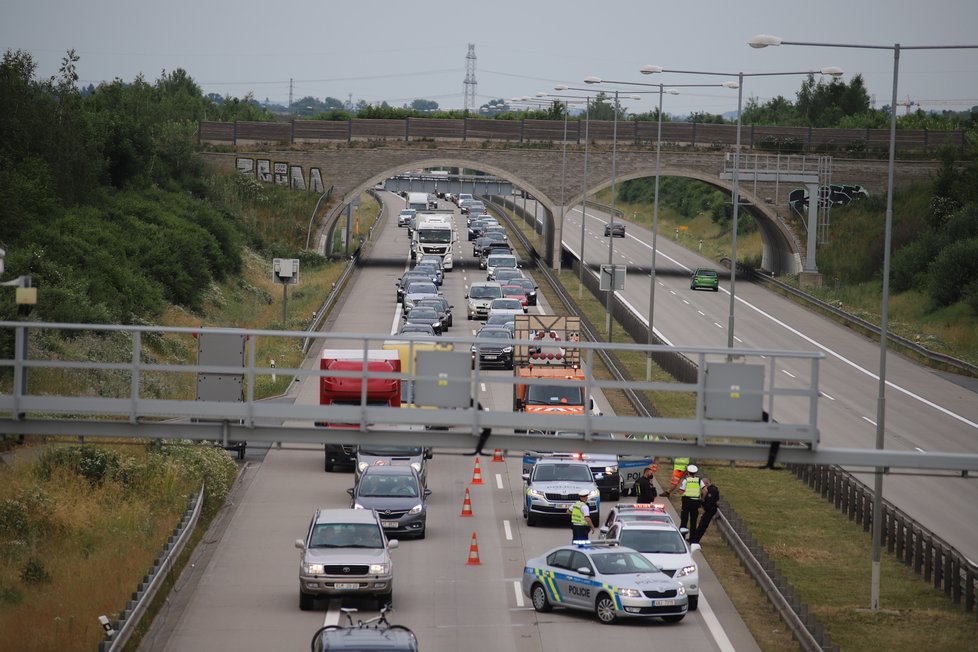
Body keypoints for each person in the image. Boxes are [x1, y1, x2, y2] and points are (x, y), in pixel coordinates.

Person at [690, 477, 719, 544]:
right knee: (701, 524)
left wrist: (704, 506)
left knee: (702, 525)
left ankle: (695, 540)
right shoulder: (710, 489)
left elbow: (710, 502)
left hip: (710, 510)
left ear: (706, 483)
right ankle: (694, 539)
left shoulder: (712, 490)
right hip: (708, 510)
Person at [676, 464, 702, 537]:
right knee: (693, 521)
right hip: (696, 502)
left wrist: (680, 491)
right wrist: (701, 498)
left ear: (688, 472)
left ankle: (682, 536)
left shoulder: (686, 480)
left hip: (687, 502)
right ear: (695, 473)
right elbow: (705, 490)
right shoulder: (699, 480)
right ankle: (692, 538)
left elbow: (681, 491)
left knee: (684, 520)